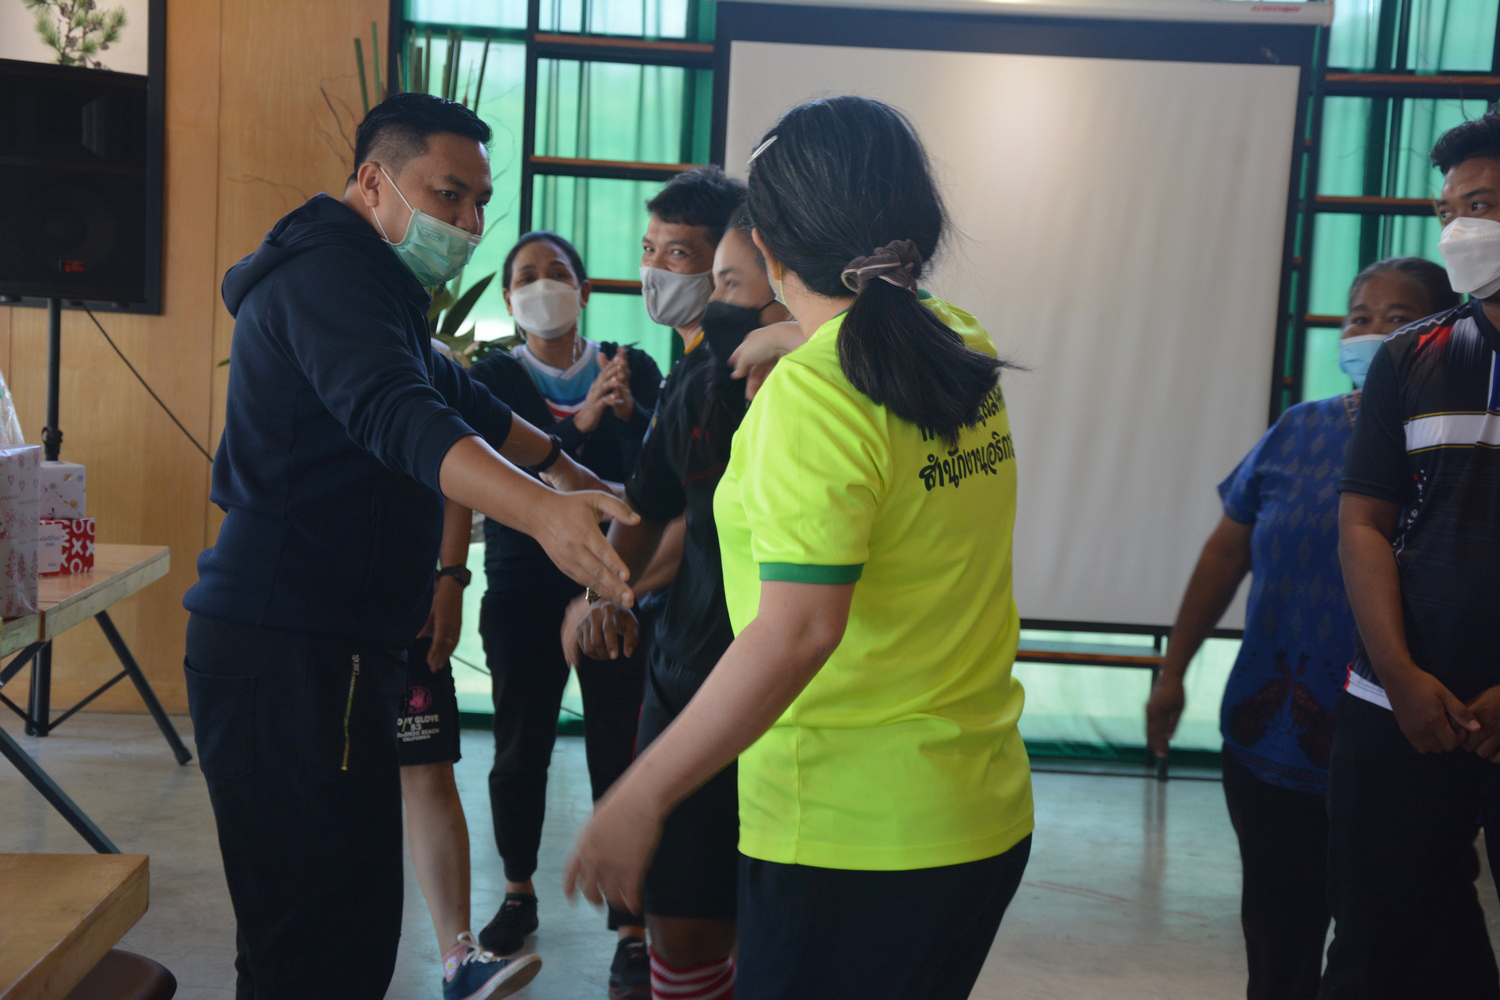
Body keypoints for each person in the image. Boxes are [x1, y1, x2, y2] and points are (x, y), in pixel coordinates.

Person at [563, 95, 1034, 1000]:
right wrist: (788, 333)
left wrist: (642, 793)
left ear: (767, 243)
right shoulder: (955, 342)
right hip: (977, 817)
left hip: (851, 838)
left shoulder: (812, 397)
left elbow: (799, 631)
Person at [182, 93, 636, 1000]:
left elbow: (454, 394)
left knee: (339, 929)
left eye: (478, 202)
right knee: (311, 941)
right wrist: (541, 513)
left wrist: (564, 469)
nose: (467, 223)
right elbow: (400, 415)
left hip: (343, 645)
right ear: (372, 183)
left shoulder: (374, 284)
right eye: (447, 194)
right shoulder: (325, 277)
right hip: (284, 645)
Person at [1144, 258, 1459, 1000]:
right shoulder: (1298, 429)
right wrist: (1172, 671)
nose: (1372, 332)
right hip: (1271, 739)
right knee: (1276, 941)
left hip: (1402, 745)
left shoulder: (1463, 447)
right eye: (1359, 316)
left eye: (1398, 318)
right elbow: (1226, 553)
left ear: (1444, 332)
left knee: (1382, 952)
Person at [572, 211, 793, 1000]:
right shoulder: (699, 385)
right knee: (685, 923)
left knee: (780, 929)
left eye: (729, 282)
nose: (714, 304)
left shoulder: (847, 392)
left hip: (800, 697)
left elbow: (805, 626)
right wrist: (604, 590)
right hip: (691, 671)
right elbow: (650, 503)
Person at [1321, 108, 1500, 998]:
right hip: (1397, 704)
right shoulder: (1411, 358)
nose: (1462, 228)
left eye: (1484, 205)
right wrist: (1396, 675)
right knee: (1381, 939)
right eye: (1450, 210)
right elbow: (1364, 522)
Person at [465, 230, 664, 998]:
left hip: (615, 583)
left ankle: (631, 925)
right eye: (526, 276)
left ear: (583, 290)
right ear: (509, 297)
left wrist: (628, 414)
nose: (542, 285)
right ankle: (519, 891)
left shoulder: (630, 366)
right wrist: (580, 426)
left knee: (620, 747)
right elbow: (503, 466)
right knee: (521, 748)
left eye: (558, 273)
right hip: (523, 586)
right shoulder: (493, 374)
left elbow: (656, 479)